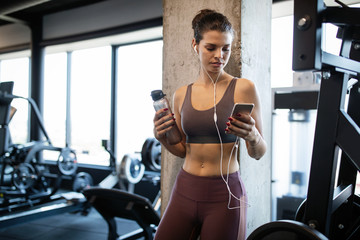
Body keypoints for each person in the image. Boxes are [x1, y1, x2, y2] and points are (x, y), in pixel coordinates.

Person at [152, 9, 266, 240]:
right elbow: (183, 149)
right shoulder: (182, 94)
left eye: (226, 48)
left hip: (224, 194)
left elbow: (258, 153)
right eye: (211, 48)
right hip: (185, 187)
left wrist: (253, 136)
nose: (219, 56)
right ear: (195, 45)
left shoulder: (243, 88)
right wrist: (162, 138)